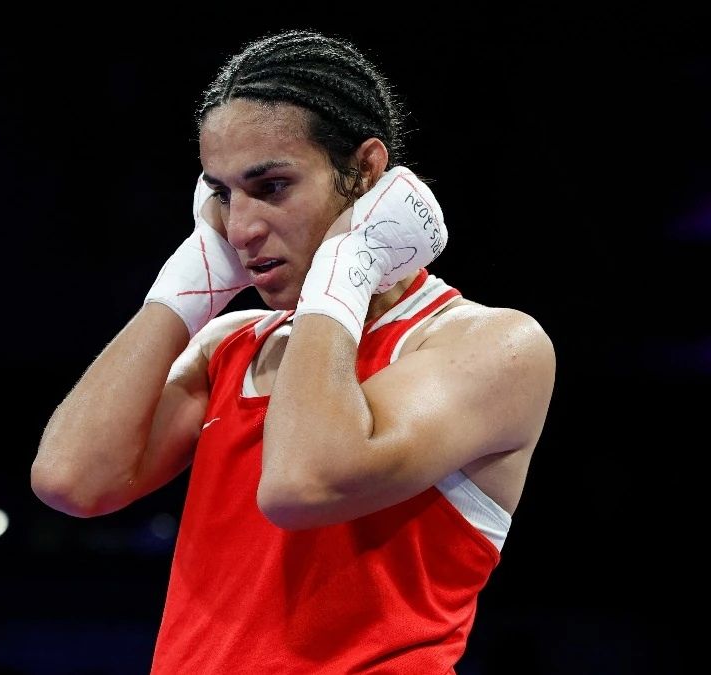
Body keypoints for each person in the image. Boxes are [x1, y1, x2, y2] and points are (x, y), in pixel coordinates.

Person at [31, 28, 555, 674]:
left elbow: (302, 480)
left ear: (366, 171)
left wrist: (349, 257)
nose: (242, 228)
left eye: (271, 186)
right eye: (223, 195)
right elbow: (69, 479)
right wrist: (186, 285)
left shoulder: (491, 345)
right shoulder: (231, 346)